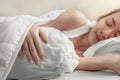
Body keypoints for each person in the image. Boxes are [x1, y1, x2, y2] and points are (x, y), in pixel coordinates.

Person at [18, 8, 120, 75]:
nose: (106, 33)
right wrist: (29, 27)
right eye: (109, 23)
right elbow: (33, 29)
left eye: (116, 35)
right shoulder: (75, 19)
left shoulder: (97, 56)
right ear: (103, 17)